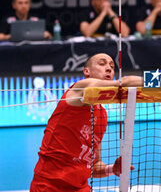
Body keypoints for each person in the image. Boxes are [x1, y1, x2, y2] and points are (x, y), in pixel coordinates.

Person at [30, 53, 142, 191]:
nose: (109, 69)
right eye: (102, 64)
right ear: (86, 71)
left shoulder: (102, 115)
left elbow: (94, 167)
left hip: (80, 188)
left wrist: (112, 169)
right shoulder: (80, 88)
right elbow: (124, 83)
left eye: (112, 67)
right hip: (49, 185)